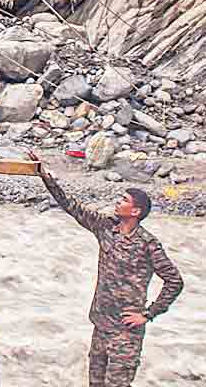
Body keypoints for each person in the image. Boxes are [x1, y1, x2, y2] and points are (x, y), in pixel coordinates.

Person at [26, 149, 184, 387]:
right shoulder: (105, 228)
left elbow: (174, 281)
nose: (117, 203)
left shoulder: (148, 244)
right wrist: (45, 176)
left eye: (123, 201)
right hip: (101, 325)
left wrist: (148, 314)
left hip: (125, 332)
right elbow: (71, 206)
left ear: (135, 211)